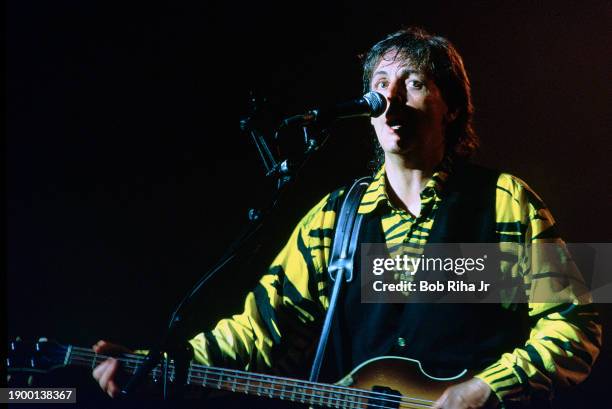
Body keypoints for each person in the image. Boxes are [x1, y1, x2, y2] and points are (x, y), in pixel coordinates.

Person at [93, 27, 602, 408]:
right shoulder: (334, 218)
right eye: (381, 83)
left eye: (415, 82)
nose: (392, 97)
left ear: (451, 107)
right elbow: (256, 332)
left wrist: (484, 389)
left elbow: (574, 324)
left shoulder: (504, 200)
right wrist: (151, 363)